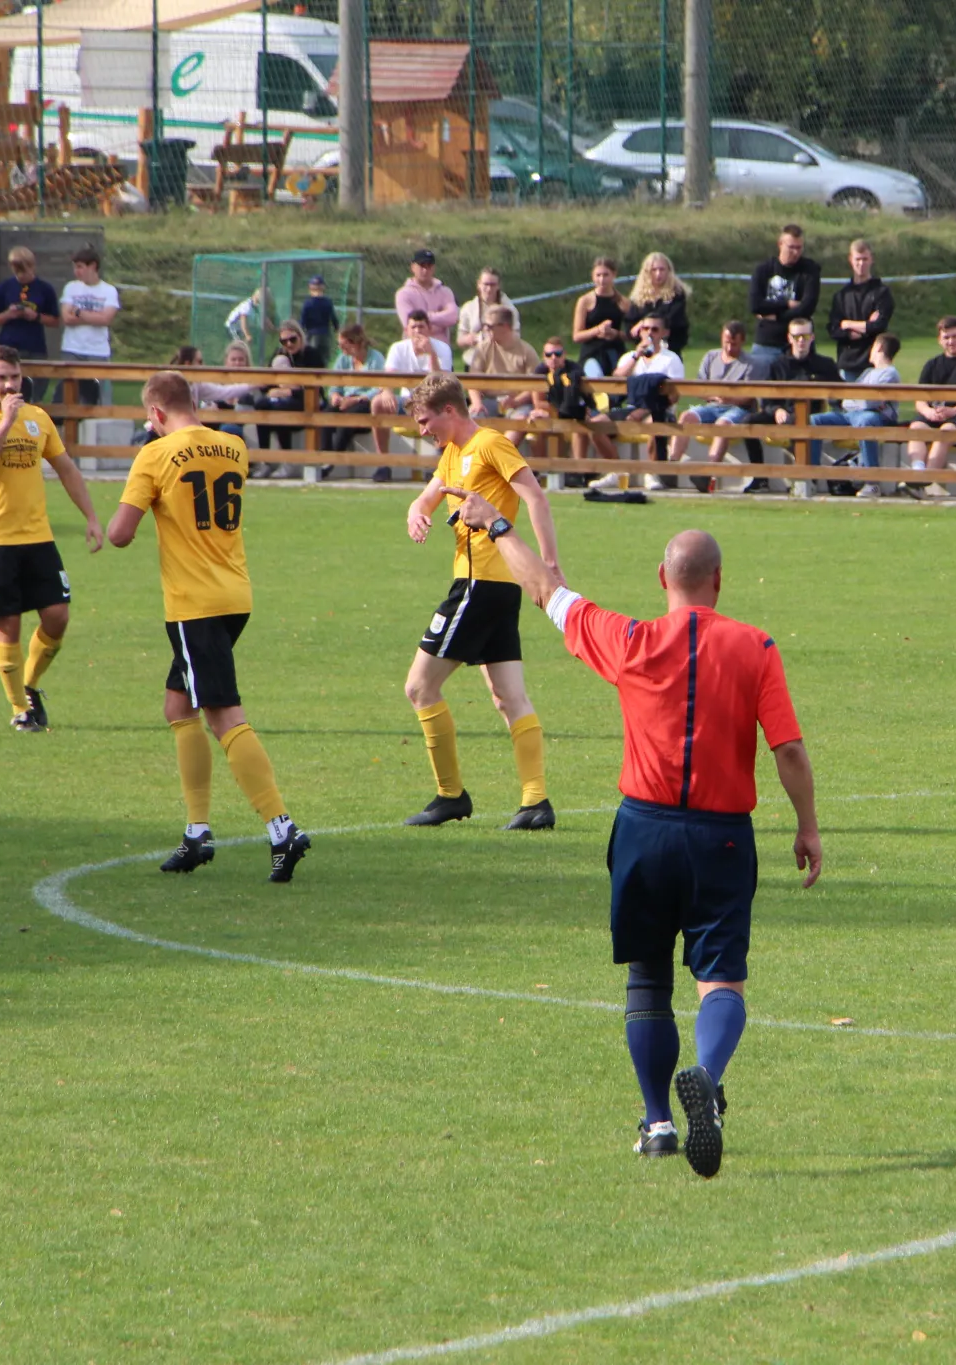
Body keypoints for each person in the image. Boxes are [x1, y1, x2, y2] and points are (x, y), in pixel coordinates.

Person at [433, 495, 819, 1178]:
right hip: (723, 837)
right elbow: (787, 749)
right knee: (721, 978)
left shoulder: (629, 640)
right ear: (719, 581)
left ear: (661, 579)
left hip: (643, 830)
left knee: (647, 978)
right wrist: (807, 825)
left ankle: (659, 1121)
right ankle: (706, 1074)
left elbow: (546, 588)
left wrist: (497, 527)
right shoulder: (756, 646)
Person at [106, 370, 311, 883]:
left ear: (155, 413)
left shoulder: (153, 455)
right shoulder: (233, 446)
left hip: (194, 604)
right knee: (179, 705)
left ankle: (281, 826)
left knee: (222, 714)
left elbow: (119, 534)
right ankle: (198, 832)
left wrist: (139, 501)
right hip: (235, 593)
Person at [400, 373, 562, 832]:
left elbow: (535, 496)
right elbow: (425, 499)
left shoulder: (490, 444)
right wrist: (416, 513)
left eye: (426, 420)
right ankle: (536, 802)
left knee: (419, 687)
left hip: (479, 585)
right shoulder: (453, 455)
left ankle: (450, 795)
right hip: (498, 588)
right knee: (508, 695)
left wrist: (549, 563)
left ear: (450, 411)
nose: (423, 430)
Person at [0, 344, 103, 732]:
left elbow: (66, 468)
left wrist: (90, 517)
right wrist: (4, 422)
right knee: (9, 624)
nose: (8, 384)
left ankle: (31, 685)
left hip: (38, 535)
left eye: (14, 377)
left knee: (58, 615)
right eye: (1, 376)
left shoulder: (38, 418)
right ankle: (20, 709)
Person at [668, 320, 766, 485]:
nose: (729, 348)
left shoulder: (751, 364)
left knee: (722, 425)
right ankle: (671, 466)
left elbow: (749, 397)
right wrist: (715, 397)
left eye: (734, 344)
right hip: (713, 404)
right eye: (727, 342)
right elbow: (699, 387)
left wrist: (729, 398)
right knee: (686, 417)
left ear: (742, 341)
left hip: (738, 408)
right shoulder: (711, 356)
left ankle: (709, 473)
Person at [904, 316, 956, 498]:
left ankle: (924, 480)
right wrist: (928, 411)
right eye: (946, 337)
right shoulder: (932, 365)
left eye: (954, 336)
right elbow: (919, 398)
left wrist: (953, 411)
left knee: (946, 432)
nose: (951, 341)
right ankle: (917, 471)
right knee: (916, 428)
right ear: (939, 340)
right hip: (936, 413)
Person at [369, 310, 456, 479]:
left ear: (429, 329)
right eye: (413, 327)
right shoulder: (398, 348)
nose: (417, 331)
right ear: (407, 330)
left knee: (447, 406)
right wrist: (387, 391)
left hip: (434, 402)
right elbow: (388, 376)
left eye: (421, 326)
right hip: (408, 402)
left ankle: (436, 464)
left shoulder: (442, 348)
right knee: (377, 403)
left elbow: (442, 384)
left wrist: (431, 354)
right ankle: (383, 463)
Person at [813, 331, 900, 495]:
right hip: (852, 415)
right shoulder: (868, 372)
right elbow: (848, 400)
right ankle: (810, 478)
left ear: (879, 347)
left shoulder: (889, 373)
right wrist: (859, 401)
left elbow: (871, 401)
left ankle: (871, 482)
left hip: (877, 417)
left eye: (873, 346)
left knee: (865, 422)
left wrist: (859, 401)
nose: (870, 351)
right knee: (814, 420)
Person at [761, 316, 842, 491]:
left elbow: (841, 394)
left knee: (802, 423)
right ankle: (758, 478)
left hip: (812, 417)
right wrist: (776, 410)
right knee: (747, 421)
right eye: (797, 337)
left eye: (805, 337)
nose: (801, 341)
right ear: (789, 338)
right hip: (782, 414)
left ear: (812, 337)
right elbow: (766, 399)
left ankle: (805, 480)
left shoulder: (824, 364)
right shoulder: (777, 365)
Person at [610, 313, 687, 484]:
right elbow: (616, 379)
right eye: (645, 328)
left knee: (654, 424)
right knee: (598, 423)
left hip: (660, 409)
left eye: (654, 329)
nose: (649, 333)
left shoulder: (671, 359)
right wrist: (637, 355)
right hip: (631, 407)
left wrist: (645, 408)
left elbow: (674, 397)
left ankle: (652, 474)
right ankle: (616, 471)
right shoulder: (630, 356)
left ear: (664, 333)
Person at [250, 322, 325, 476]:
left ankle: (288, 462)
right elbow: (266, 383)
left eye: (292, 339)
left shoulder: (311, 354)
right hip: (284, 398)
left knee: (280, 409)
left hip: (308, 401)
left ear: (300, 336)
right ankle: (265, 461)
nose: (289, 344)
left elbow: (316, 387)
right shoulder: (280, 355)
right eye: (284, 341)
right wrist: (275, 390)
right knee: (262, 404)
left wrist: (289, 391)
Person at [533, 334, 618, 465]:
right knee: (539, 423)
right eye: (549, 355)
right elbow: (538, 402)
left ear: (564, 354)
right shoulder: (540, 371)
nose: (553, 358)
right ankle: (541, 470)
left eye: (557, 354)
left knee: (580, 425)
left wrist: (557, 410)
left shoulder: (575, 370)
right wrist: (555, 411)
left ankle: (579, 470)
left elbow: (582, 401)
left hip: (581, 410)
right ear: (544, 356)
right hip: (555, 412)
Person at [57, 245, 119, 407]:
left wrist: (78, 312)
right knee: (68, 393)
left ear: (92, 266)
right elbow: (66, 318)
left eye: (80, 267)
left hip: (97, 350)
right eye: (75, 267)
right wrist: (93, 317)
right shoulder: (71, 288)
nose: (76, 271)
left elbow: (106, 319)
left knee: (101, 395)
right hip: (72, 348)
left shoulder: (108, 290)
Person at [748, 224, 820, 364]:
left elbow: (807, 307)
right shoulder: (763, 269)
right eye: (791, 247)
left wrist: (774, 315)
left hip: (799, 343)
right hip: (767, 343)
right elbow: (755, 305)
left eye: (799, 248)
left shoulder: (810, 270)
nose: (795, 252)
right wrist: (787, 304)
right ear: (780, 244)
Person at [825, 238, 894, 378]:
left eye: (865, 259)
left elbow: (879, 326)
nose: (861, 263)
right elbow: (834, 329)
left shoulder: (881, 293)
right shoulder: (841, 295)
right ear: (850, 259)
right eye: (857, 259)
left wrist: (848, 324)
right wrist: (864, 328)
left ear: (871, 259)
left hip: (874, 363)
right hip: (848, 364)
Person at [465, 305, 544, 427]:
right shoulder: (482, 348)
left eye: (490, 326)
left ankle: (503, 446)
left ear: (506, 326)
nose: (485, 329)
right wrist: (477, 404)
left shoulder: (526, 351)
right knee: (471, 418)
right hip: (489, 400)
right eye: (484, 325)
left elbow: (534, 387)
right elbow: (472, 382)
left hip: (519, 403)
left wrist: (516, 401)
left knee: (522, 420)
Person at [323, 324, 387, 468]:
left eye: (343, 345)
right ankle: (325, 456)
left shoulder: (376, 358)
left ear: (355, 343)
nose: (340, 349)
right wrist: (334, 395)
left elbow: (380, 387)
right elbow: (335, 382)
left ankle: (332, 461)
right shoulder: (343, 359)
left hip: (365, 401)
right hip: (345, 399)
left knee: (348, 418)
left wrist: (356, 399)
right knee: (326, 414)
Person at [0, 245, 56, 361]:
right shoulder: (3, 288)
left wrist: (36, 316)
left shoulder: (45, 289)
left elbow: (55, 321)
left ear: (32, 266)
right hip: (7, 346)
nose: (21, 275)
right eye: (17, 270)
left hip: (35, 347)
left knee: (36, 378)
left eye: (24, 271)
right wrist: (9, 314)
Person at [572, 256, 630, 378]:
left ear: (614, 275)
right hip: (591, 353)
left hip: (615, 352)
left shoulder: (623, 302)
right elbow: (577, 336)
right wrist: (598, 330)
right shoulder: (585, 301)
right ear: (593, 276)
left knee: (618, 387)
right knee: (596, 380)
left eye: (605, 275)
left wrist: (615, 334)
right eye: (598, 275)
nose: (602, 280)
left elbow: (631, 334)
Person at [625, 251, 691, 356]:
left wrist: (644, 323)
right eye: (654, 270)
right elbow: (629, 326)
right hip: (643, 351)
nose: (658, 274)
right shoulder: (638, 297)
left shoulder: (677, 295)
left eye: (662, 269)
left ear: (669, 271)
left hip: (670, 350)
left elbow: (671, 319)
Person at [394, 248, 458, 347]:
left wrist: (425, 317)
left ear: (434, 268)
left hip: (441, 348)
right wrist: (440, 317)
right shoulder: (403, 294)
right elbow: (409, 322)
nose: (425, 270)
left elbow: (453, 317)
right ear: (413, 267)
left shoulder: (445, 291)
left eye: (429, 266)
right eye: (422, 266)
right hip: (414, 348)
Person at [456, 267, 519, 366]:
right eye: (486, 284)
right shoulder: (468, 308)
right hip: (474, 361)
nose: (489, 289)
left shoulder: (509, 309)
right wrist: (471, 339)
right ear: (479, 284)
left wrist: (500, 337)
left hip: (502, 362)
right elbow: (460, 340)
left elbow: (516, 337)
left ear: (498, 286)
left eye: (493, 285)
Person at [299, 273, 337, 357]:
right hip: (324, 334)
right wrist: (337, 329)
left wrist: (299, 332)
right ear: (323, 287)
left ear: (310, 288)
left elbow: (302, 320)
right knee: (324, 358)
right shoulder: (328, 302)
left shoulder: (307, 303)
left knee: (312, 358)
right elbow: (334, 319)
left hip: (311, 334)